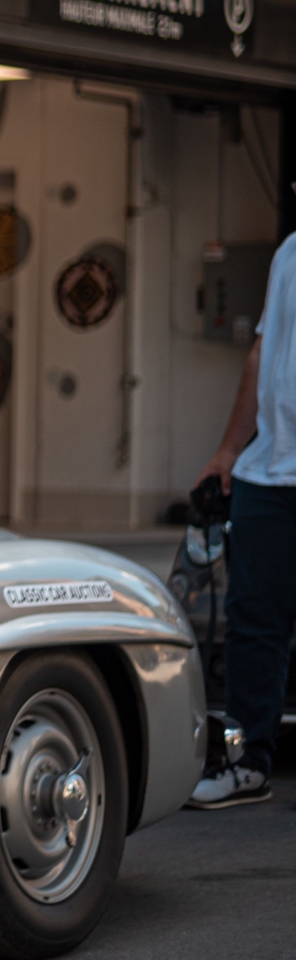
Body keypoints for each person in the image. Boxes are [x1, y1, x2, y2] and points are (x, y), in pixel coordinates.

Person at [188, 229, 296, 809]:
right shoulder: (288, 254)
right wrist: (230, 450)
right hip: (269, 472)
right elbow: (262, 352)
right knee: (253, 619)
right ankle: (250, 760)